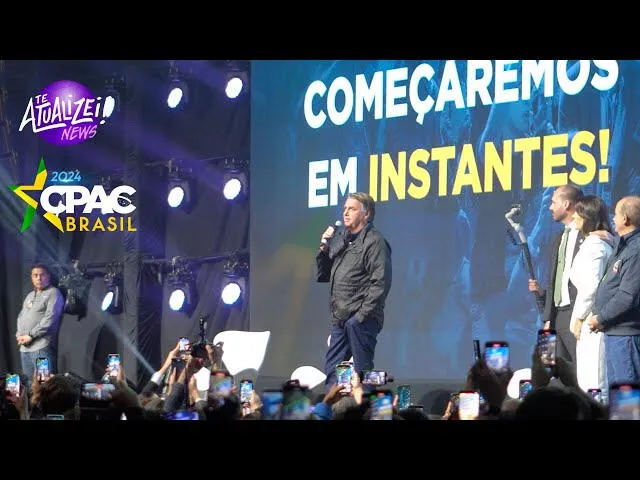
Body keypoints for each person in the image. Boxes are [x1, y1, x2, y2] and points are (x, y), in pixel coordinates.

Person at [316, 192, 392, 391]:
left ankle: (365, 410)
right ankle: (334, 411)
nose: (346, 213)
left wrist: (359, 317)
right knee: (333, 372)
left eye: (352, 209)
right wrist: (324, 246)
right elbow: (324, 274)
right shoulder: (342, 239)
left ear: (366, 214)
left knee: (362, 373)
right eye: (344, 209)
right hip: (340, 319)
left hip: (361, 320)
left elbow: (380, 283)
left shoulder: (375, 242)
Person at [528, 184, 584, 364]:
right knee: (550, 369)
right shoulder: (558, 239)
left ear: (566, 204)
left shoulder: (590, 236)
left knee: (580, 372)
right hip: (555, 318)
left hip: (576, 316)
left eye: (553, 202)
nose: (550, 207)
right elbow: (557, 280)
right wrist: (547, 313)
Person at [587, 195, 640, 386]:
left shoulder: (636, 250)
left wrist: (600, 318)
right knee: (618, 398)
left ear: (625, 219)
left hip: (626, 337)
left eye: (616, 215)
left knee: (627, 402)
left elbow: (627, 297)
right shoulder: (624, 245)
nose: (612, 219)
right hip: (615, 334)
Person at [567, 195, 614, 402]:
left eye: (578, 212)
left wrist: (578, 317)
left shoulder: (595, 245)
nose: (574, 216)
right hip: (591, 318)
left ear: (588, 216)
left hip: (593, 320)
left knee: (594, 382)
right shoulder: (595, 242)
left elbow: (591, 287)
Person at [15, 263, 64, 390]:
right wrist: (19, 335)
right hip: (25, 350)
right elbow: (21, 316)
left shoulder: (54, 293)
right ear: (31, 277)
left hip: (41, 348)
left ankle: (47, 410)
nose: (39, 278)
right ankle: (32, 410)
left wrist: (30, 336)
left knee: (45, 386)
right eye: (35, 275)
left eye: (42, 275)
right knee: (30, 386)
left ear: (48, 276)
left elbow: (50, 319)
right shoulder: (30, 296)